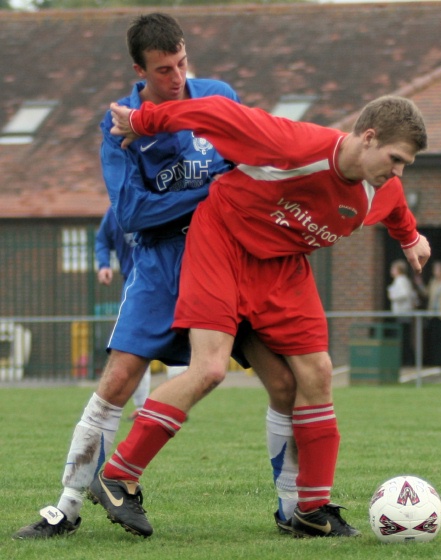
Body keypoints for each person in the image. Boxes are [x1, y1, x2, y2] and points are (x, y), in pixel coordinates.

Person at [87, 94, 431, 539]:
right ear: (368, 138)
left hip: (283, 267)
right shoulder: (294, 144)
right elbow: (212, 111)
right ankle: (118, 474)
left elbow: (398, 210)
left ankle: (310, 509)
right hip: (223, 244)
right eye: (396, 158)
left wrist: (410, 239)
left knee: (317, 373)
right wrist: (141, 119)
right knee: (209, 370)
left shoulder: (380, 188)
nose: (398, 172)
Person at [13, 12, 298, 540]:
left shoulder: (217, 96)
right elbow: (132, 214)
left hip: (229, 261)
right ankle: (67, 507)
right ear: (139, 71)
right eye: (164, 70)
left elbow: (253, 165)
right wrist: (214, 194)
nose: (178, 78)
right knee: (117, 382)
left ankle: (294, 509)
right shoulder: (118, 124)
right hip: (161, 266)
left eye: (183, 62)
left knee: (284, 382)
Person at [95, 207, 152, 420]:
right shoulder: (114, 213)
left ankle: (174, 406)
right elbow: (102, 240)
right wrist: (103, 265)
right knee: (134, 346)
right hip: (133, 286)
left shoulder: (159, 200)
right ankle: (142, 407)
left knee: (181, 340)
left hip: (166, 282)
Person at [387, 259, 418, 366]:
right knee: (403, 337)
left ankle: (407, 360)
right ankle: (406, 360)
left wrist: (393, 296)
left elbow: (405, 294)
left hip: (403, 314)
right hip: (401, 313)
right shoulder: (400, 280)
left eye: (393, 269)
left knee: (403, 337)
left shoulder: (401, 280)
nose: (391, 271)